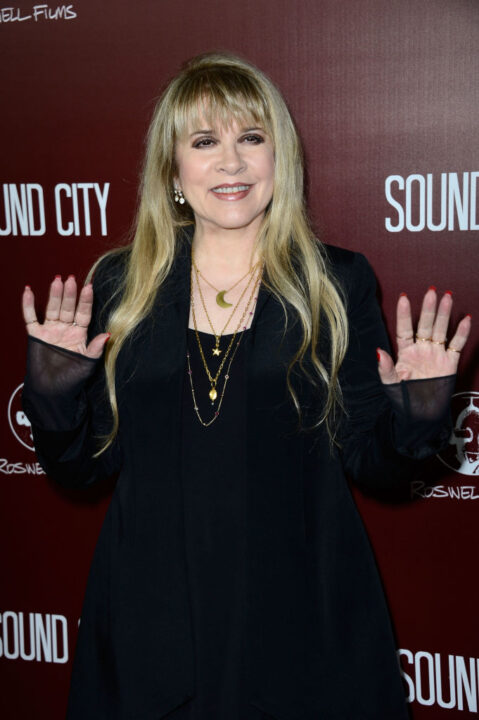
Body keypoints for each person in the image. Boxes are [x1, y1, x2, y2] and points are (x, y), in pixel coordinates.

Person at [21, 52, 471, 720]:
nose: (230, 163)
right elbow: (84, 471)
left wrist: (419, 410)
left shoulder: (336, 281)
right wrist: (54, 398)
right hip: (151, 629)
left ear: (277, 158)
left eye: (250, 138)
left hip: (298, 629)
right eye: (204, 142)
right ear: (172, 171)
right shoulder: (122, 285)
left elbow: (371, 466)